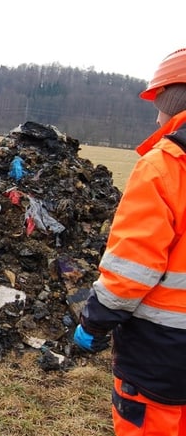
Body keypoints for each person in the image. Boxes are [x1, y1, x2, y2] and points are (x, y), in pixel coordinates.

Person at [74, 47, 186, 435]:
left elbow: (133, 266)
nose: (156, 116)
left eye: (158, 104)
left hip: (163, 353)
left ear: (173, 101)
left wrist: (95, 320)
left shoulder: (166, 165)